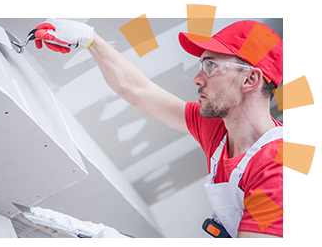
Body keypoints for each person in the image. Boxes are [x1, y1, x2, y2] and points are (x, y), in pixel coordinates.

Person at [33, 18, 283, 238]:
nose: (197, 78)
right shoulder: (217, 130)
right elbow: (138, 90)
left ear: (250, 80)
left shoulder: (277, 169)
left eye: (211, 65)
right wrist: (89, 38)